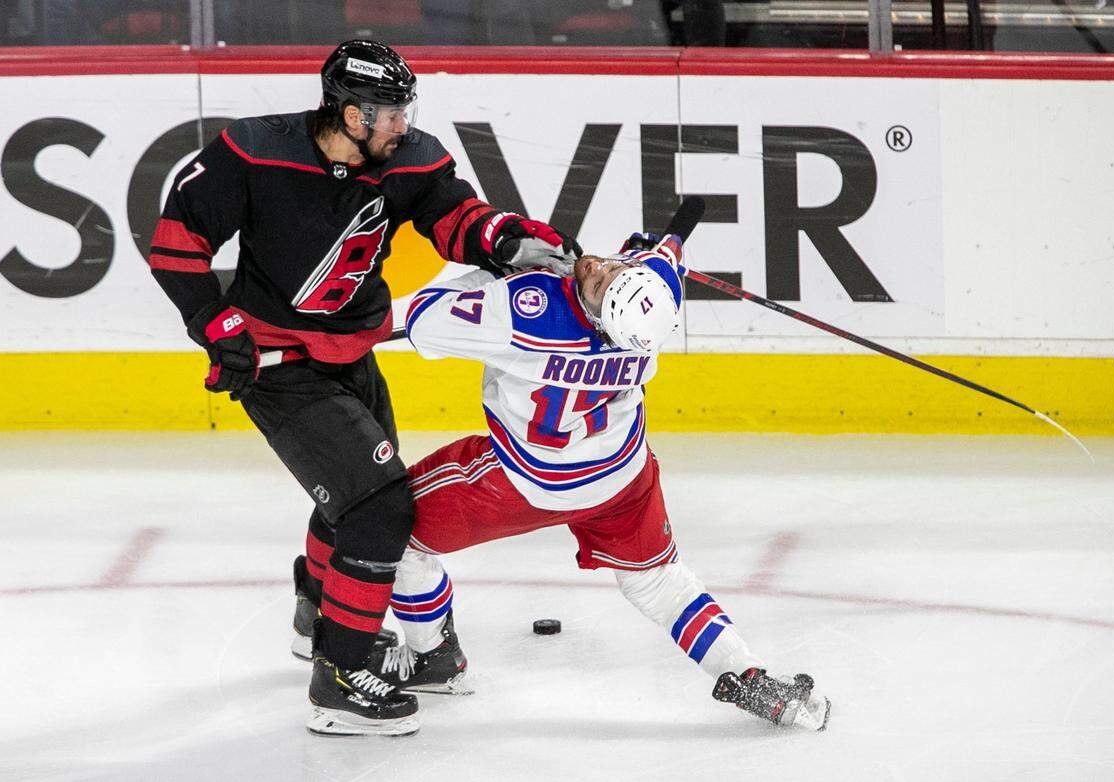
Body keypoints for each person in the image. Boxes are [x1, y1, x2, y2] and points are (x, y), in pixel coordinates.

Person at [148, 39, 579, 737]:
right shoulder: (256, 151)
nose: (402, 125)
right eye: (389, 113)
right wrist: (214, 319)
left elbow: (455, 216)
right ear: (350, 115)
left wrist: (504, 239)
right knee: (378, 511)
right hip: (278, 367)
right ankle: (340, 676)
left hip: (352, 355)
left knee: (357, 499)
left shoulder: (411, 157)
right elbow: (176, 240)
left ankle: (316, 612)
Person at [339, 232, 831, 730]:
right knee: (658, 581)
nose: (599, 269)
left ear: (599, 316)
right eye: (615, 270)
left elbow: (424, 319)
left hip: (526, 482)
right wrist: (663, 246)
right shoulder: (655, 298)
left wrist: (497, 272)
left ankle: (432, 659)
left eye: (602, 285)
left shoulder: (523, 309)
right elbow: (665, 257)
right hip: (621, 477)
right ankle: (747, 677)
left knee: (391, 528)